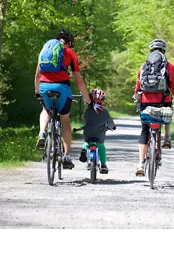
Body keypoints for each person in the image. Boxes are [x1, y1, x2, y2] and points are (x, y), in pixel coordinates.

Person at [34, 29, 92, 169]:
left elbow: (37, 75)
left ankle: (42, 132)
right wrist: (89, 101)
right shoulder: (70, 53)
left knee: (46, 110)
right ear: (69, 42)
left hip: (44, 87)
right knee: (65, 119)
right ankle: (66, 156)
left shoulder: (45, 50)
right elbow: (79, 81)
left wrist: (37, 92)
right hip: (62, 88)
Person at [134, 38, 174, 176]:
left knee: (144, 131)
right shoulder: (169, 67)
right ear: (164, 51)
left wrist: (136, 95)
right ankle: (167, 138)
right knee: (166, 114)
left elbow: (138, 84)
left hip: (145, 100)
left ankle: (141, 163)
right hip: (163, 99)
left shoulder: (143, 66)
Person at [78, 88, 116, 174]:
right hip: (99, 135)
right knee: (101, 147)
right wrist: (112, 127)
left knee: (87, 142)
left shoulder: (87, 111)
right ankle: (103, 165)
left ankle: (84, 149)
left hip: (88, 132)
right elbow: (110, 123)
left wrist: (83, 126)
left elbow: (86, 120)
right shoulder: (105, 112)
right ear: (102, 101)